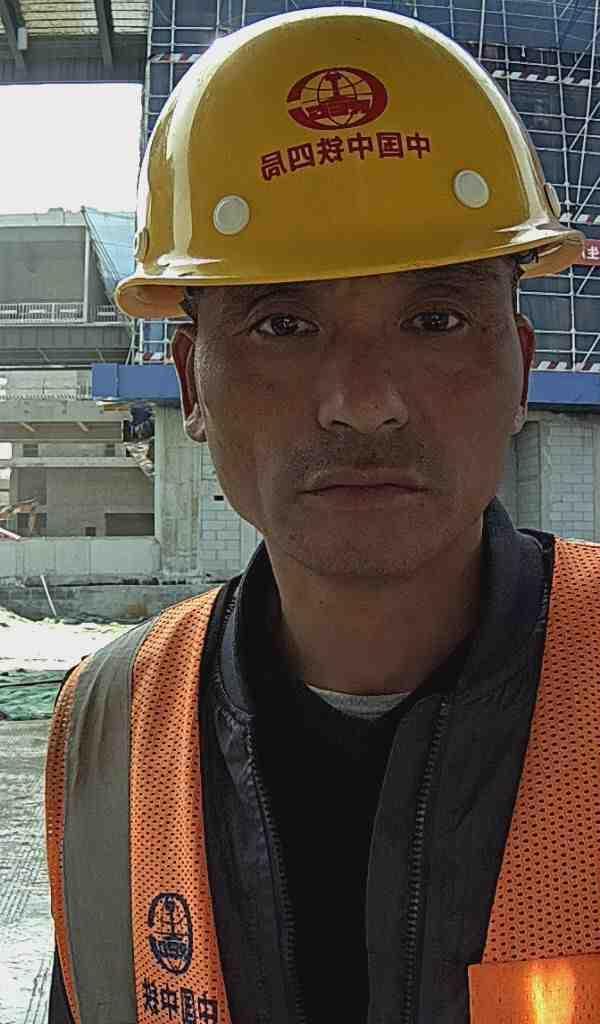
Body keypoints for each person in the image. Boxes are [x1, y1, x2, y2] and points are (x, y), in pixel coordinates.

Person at [46, 10, 600, 1024]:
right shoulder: (110, 728)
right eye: (283, 324)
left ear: (521, 366)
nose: (362, 401)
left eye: (434, 320)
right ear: (192, 382)